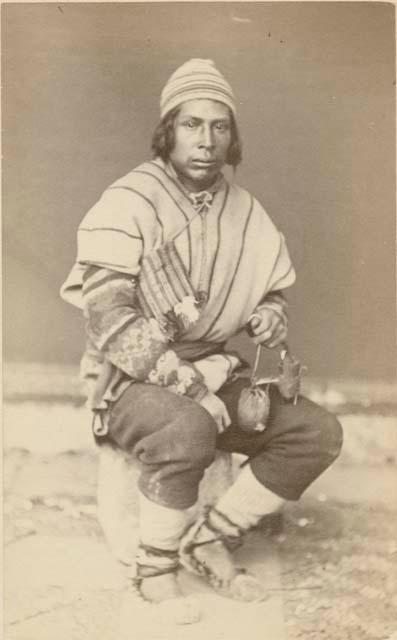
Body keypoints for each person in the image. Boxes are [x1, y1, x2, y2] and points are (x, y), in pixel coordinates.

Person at [61, 58, 343, 624]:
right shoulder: (128, 201)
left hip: (214, 366)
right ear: (168, 130)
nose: (206, 141)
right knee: (187, 425)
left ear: (232, 136)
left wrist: (268, 314)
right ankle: (155, 567)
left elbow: (267, 290)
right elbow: (110, 322)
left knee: (315, 432)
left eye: (220, 126)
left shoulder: (245, 210)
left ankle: (209, 538)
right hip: (130, 380)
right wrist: (192, 387)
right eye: (192, 125)